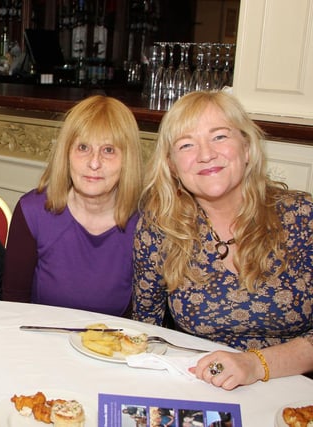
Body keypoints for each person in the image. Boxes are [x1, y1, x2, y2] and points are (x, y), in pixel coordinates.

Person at [133, 90, 313, 389]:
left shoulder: (303, 217)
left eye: (219, 137)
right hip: (202, 388)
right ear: (173, 166)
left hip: (296, 393)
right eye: (187, 144)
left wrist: (256, 364)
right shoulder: (160, 230)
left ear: (247, 147)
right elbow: (146, 331)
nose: (205, 154)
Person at [1, 95, 143, 316]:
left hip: (114, 347)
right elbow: (12, 303)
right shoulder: (33, 212)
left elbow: (145, 319)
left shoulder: (146, 223)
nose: (94, 163)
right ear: (66, 153)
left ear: (128, 159)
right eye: (83, 147)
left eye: (108, 150)